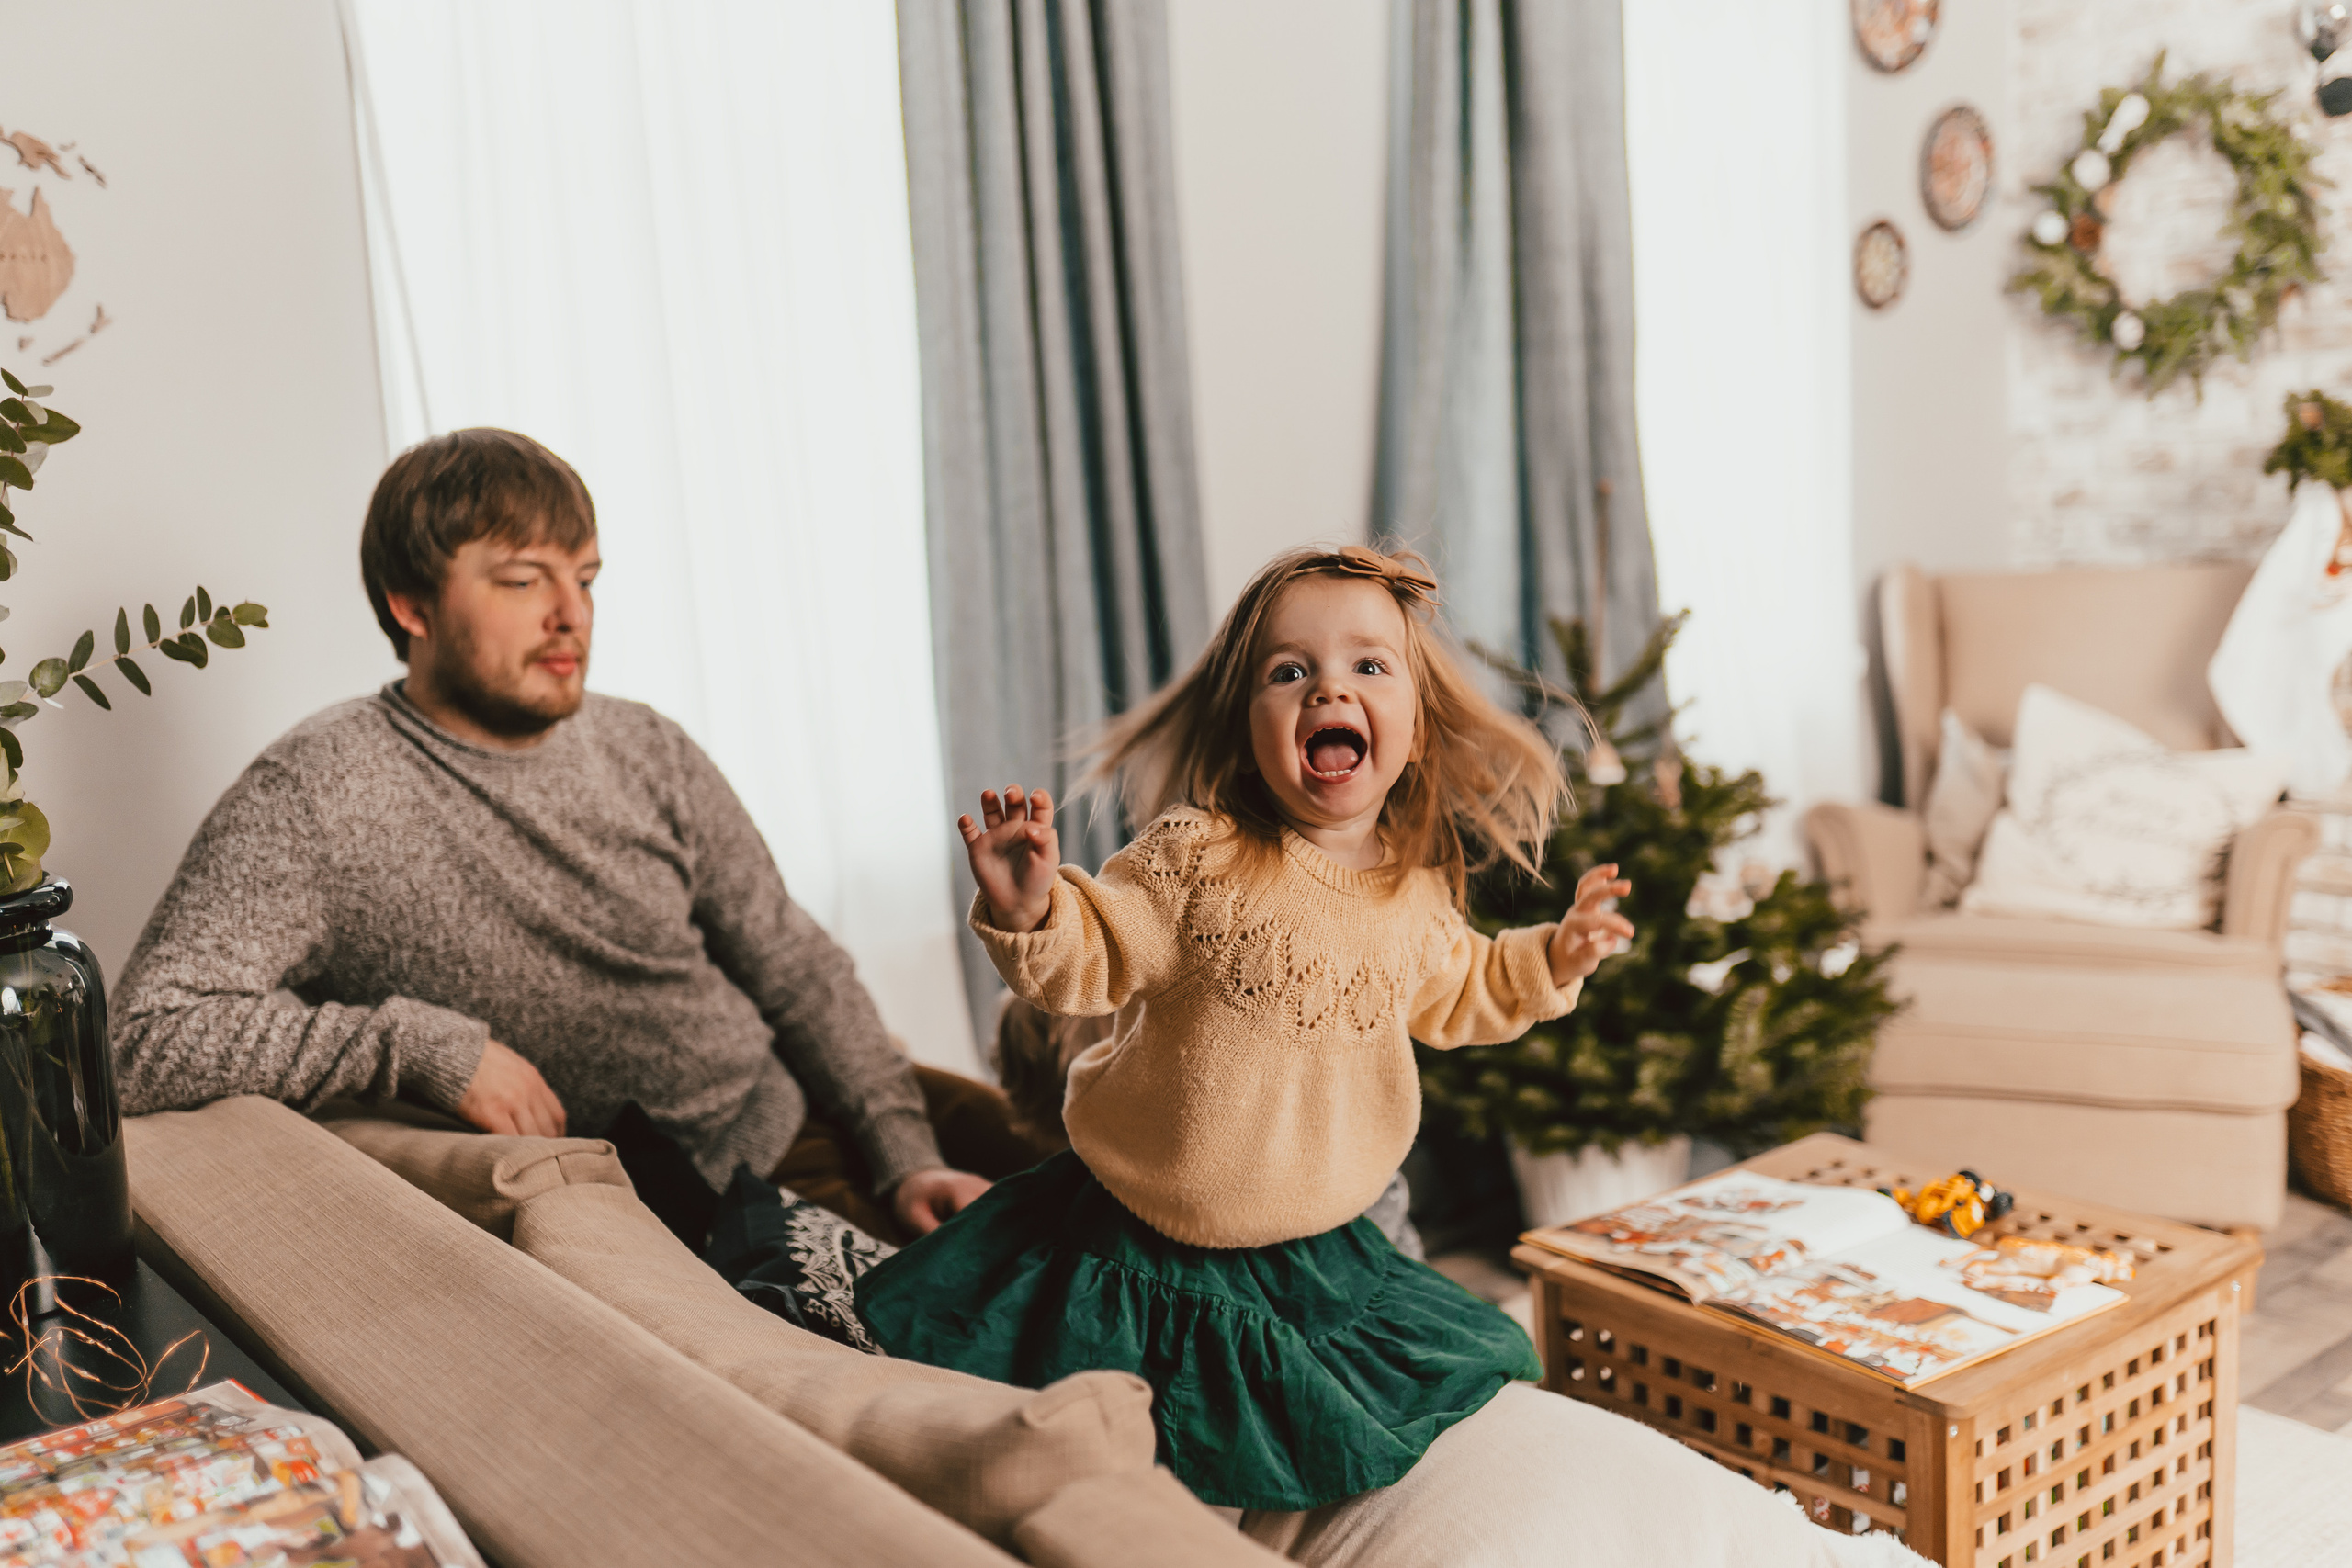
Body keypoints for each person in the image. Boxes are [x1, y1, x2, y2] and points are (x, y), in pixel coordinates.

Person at [113, 427, 1045, 1244]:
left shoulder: (645, 745)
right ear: (412, 605)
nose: (572, 614)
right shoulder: (319, 791)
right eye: (523, 579)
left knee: (1146, 1179)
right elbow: (143, 1041)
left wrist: (904, 1153)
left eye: (586, 578)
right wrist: (424, 1048)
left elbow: (795, 967)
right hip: (722, 1203)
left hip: (816, 1104)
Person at [854, 545, 1635, 1513]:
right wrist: (1033, 912)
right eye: (1289, 672)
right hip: (1146, 1244)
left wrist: (1554, 957)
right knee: (1143, 1467)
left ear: (1417, 731)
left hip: (1318, 1249)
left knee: (1440, 1382)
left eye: (1366, 666)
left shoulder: (1413, 888)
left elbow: (1463, 988)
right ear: (1247, 728)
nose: (1326, 691)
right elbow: (1093, 957)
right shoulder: (1198, 856)